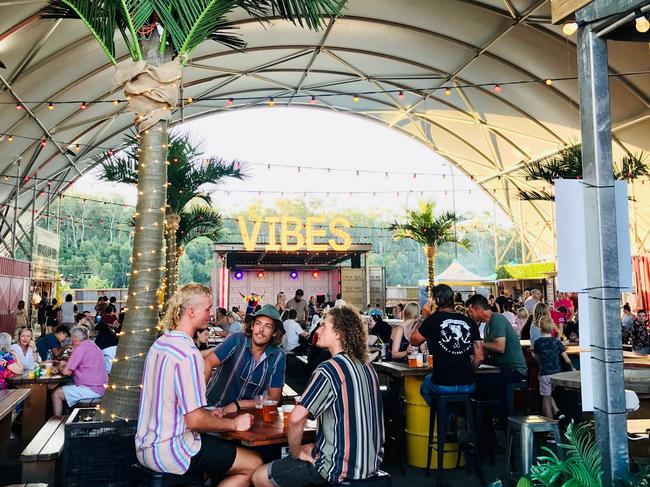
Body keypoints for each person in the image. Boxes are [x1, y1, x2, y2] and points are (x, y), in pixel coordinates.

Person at [136, 283, 261, 482]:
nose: (211, 314)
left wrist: (210, 415)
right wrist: (234, 424)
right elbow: (194, 421)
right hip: (172, 450)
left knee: (216, 454)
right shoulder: (188, 354)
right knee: (254, 464)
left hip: (146, 446)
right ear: (192, 312)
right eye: (208, 309)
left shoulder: (159, 344)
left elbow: (177, 408)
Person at [252, 306, 384, 487]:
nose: (318, 330)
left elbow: (296, 419)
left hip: (338, 469)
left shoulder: (330, 369)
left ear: (338, 334)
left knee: (259, 476)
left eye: (324, 326)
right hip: (370, 466)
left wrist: (297, 452)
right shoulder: (367, 367)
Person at [410, 285, 483, 405]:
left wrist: (423, 318)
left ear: (437, 301)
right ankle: (455, 416)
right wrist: (469, 371)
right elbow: (479, 357)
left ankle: (447, 417)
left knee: (425, 388)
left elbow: (414, 340)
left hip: (442, 382)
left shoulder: (432, 320)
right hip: (468, 384)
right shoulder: (469, 322)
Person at [205, 304, 286, 410]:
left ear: (274, 333)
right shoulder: (237, 340)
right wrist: (197, 401)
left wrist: (238, 405)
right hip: (214, 407)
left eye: (268, 326)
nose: (261, 329)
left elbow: (274, 399)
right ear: (252, 326)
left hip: (246, 414)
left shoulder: (278, 356)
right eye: (258, 324)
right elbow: (208, 362)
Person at [466, 294, 527, 407]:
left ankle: (493, 416)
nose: (469, 314)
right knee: (477, 380)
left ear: (479, 310)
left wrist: (478, 344)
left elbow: (500, 347)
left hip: (514, 369)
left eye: (470, 311)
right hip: (501, 368)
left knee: (482, 384)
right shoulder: (487, 324)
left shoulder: (497, 319)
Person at [51, 326, 108, 415]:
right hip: (101, 387)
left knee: (56, 393)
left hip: (92, 389)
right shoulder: (93, 345)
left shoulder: (80, 348)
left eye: (71, 338)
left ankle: (57, 421)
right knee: (66, 387)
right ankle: (67, 418)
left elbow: (66, 372)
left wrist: (59, 368)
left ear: (76, 339)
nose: (71, 341)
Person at [534, 317, 574, 419]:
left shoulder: (537, 343)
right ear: (552, 328)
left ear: (540, 328)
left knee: (546, 398)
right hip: (557, 374)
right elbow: (567, 360)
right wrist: (572, 368)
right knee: (550, 394)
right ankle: (557, 412)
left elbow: (536, 357)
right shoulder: (557, 342)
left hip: (545, 373)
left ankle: (550, 425)